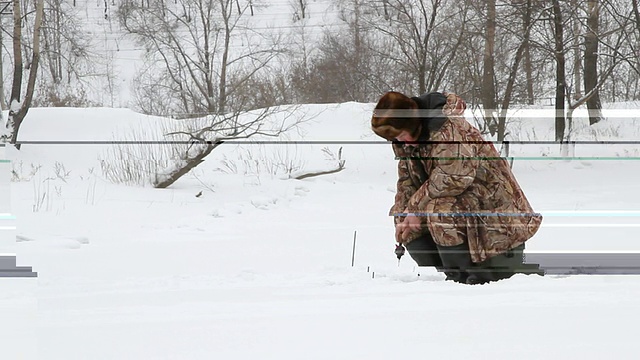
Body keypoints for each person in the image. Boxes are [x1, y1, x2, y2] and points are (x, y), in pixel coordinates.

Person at [371, 91, 543, 284]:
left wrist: (414, 209)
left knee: (439, 211)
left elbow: (453, 176)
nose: (400, 142)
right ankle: (453, 274)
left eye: (401, 135)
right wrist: (403, 215)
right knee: (405, 215)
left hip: (490, 202)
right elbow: (406, 182)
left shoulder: (448, 129)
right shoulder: (409, 142)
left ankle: (469, 277)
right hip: (459, 201)